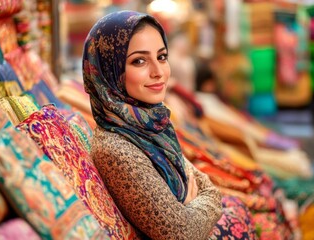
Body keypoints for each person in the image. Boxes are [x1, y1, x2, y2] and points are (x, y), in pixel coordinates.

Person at [83, 10, 257, 239]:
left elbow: (206, 185)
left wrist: (192, 204)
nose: (159, 72)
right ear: (109, 71)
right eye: (139, 60)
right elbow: (182, 233)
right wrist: (196, 202)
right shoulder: (117, 149)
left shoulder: (150, 125)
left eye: (162, 57)